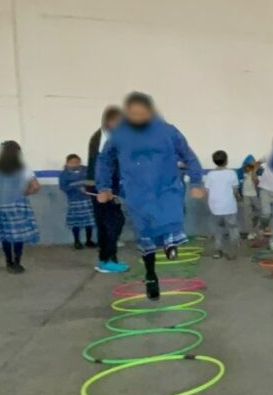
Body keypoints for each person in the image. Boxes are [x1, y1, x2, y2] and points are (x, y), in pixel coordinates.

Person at [95, 92, 205, 299]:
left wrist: (197, 181)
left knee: (171, 216)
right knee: (146, 235)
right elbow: (104, 160)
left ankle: (171, 242)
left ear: (150, 112)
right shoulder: (119, 135)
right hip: (137, 193)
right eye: (133, 114)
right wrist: (103, 187)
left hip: (166, 188)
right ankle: (151, 275)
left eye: (142, 113)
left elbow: (188, 156)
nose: (138, 118)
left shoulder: (168, 131)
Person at [0, 140, 40, 274]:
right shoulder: (23, 168)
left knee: (4, 233)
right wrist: (25, 193)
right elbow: (36, 186)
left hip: (0, 204)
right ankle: (17, 262)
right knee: (18, 234)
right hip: (17, 204)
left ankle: (8, 261)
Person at [87, 106, 128, 273]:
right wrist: (106, 188)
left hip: (102, 186)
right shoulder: (105, 137)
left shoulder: (102, 135)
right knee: (112, 222)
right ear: (111, 121)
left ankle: (107, 258)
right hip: (102, 188)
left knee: (107, 223)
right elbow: (103, 164)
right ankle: (107, 259)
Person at [204, 150, 241, 260]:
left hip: (215, 207)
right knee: (233, 228)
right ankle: (234, 250)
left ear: (214, 161)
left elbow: (207, 191)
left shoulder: (210, 175)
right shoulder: (232, 173)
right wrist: (239, 199)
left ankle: (218, 251)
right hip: (229, 206)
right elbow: (235, 191)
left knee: (218, 229)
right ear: (226, 160)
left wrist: (211, 203)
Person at [58, 154, 96, 249]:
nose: (75, 164)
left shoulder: (86, 170)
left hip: (88, 199)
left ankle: (89, 240)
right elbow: (63, 187)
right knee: (76, 222)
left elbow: (93, 181)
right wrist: (77, 187)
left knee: (89, 221)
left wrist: (87, 188)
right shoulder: (64, 174)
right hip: (74, 200)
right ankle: (77, 241)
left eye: (77, 162)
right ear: (67, 163)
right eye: (72, 162)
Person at [239, 156, 260, 240]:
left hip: (255, 195)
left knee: (260, 212)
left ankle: (256, 229)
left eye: (251, 166)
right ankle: (250, 232)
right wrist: (239, 195)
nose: (249, 168)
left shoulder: (258, 171)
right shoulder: (241, 172)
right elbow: (237, 184)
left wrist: (254, 171)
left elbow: (257, 183)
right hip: (245, 195)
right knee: (247, 215)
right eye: (248, 166)